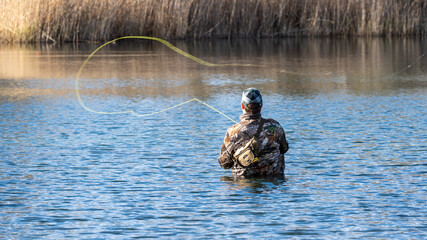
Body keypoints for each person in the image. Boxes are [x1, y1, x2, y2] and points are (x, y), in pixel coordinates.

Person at [218, 88, 289, 178]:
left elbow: (224, 164)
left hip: (242, 186)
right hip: (272, 185)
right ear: (261, 105)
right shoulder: (275, 126)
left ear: (242, 106)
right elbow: (284, 149)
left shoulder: (233, 131)